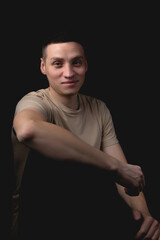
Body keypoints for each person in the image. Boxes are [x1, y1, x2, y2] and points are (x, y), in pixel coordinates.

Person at [10, 31, 160, 239]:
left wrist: (146, 217)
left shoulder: (99, 108)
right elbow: (28, 129)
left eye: (76, 62)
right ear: (43, 67)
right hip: (31, 225)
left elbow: (126, 177)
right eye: (58, 64)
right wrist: (115, 167)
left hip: (83, 221)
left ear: (86, 65)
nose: (69, 72)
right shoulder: (35, 102)